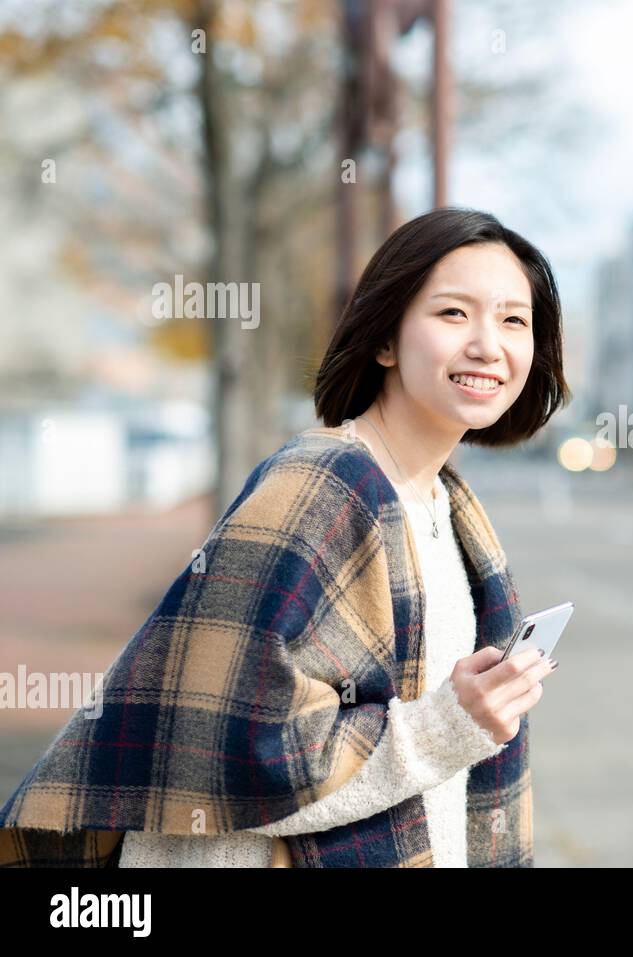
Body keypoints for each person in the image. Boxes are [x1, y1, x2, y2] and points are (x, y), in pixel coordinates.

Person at [0, 207, 571, 867]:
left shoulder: (448, 504)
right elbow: (232, 752)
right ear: (385, 340)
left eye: (512, 320)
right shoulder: (321, 484)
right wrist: (450, 723)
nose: (487, 344)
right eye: (453, 313)